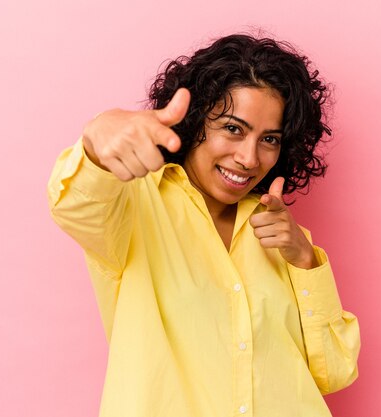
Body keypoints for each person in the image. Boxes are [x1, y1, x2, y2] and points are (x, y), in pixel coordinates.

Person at [48, 33, 360, 417]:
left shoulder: (281, 234)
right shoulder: (135, 207)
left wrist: (305, 260)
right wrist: (97, 139)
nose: (249, 157)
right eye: (233, 128)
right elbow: (76, 206)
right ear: (195, 121)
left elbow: (334, 372)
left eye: (270, 138)